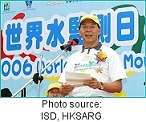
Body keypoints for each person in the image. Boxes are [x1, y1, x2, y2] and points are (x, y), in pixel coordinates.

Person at [59, 14, 127, 97]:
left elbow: (118, 87)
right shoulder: (73, 58)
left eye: (92, 27)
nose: (88, 30)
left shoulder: (110, 53)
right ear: (79, 32)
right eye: (84, 27)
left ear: (99, 31)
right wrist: (65, 89)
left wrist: (99, 85)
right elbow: (62, 90)